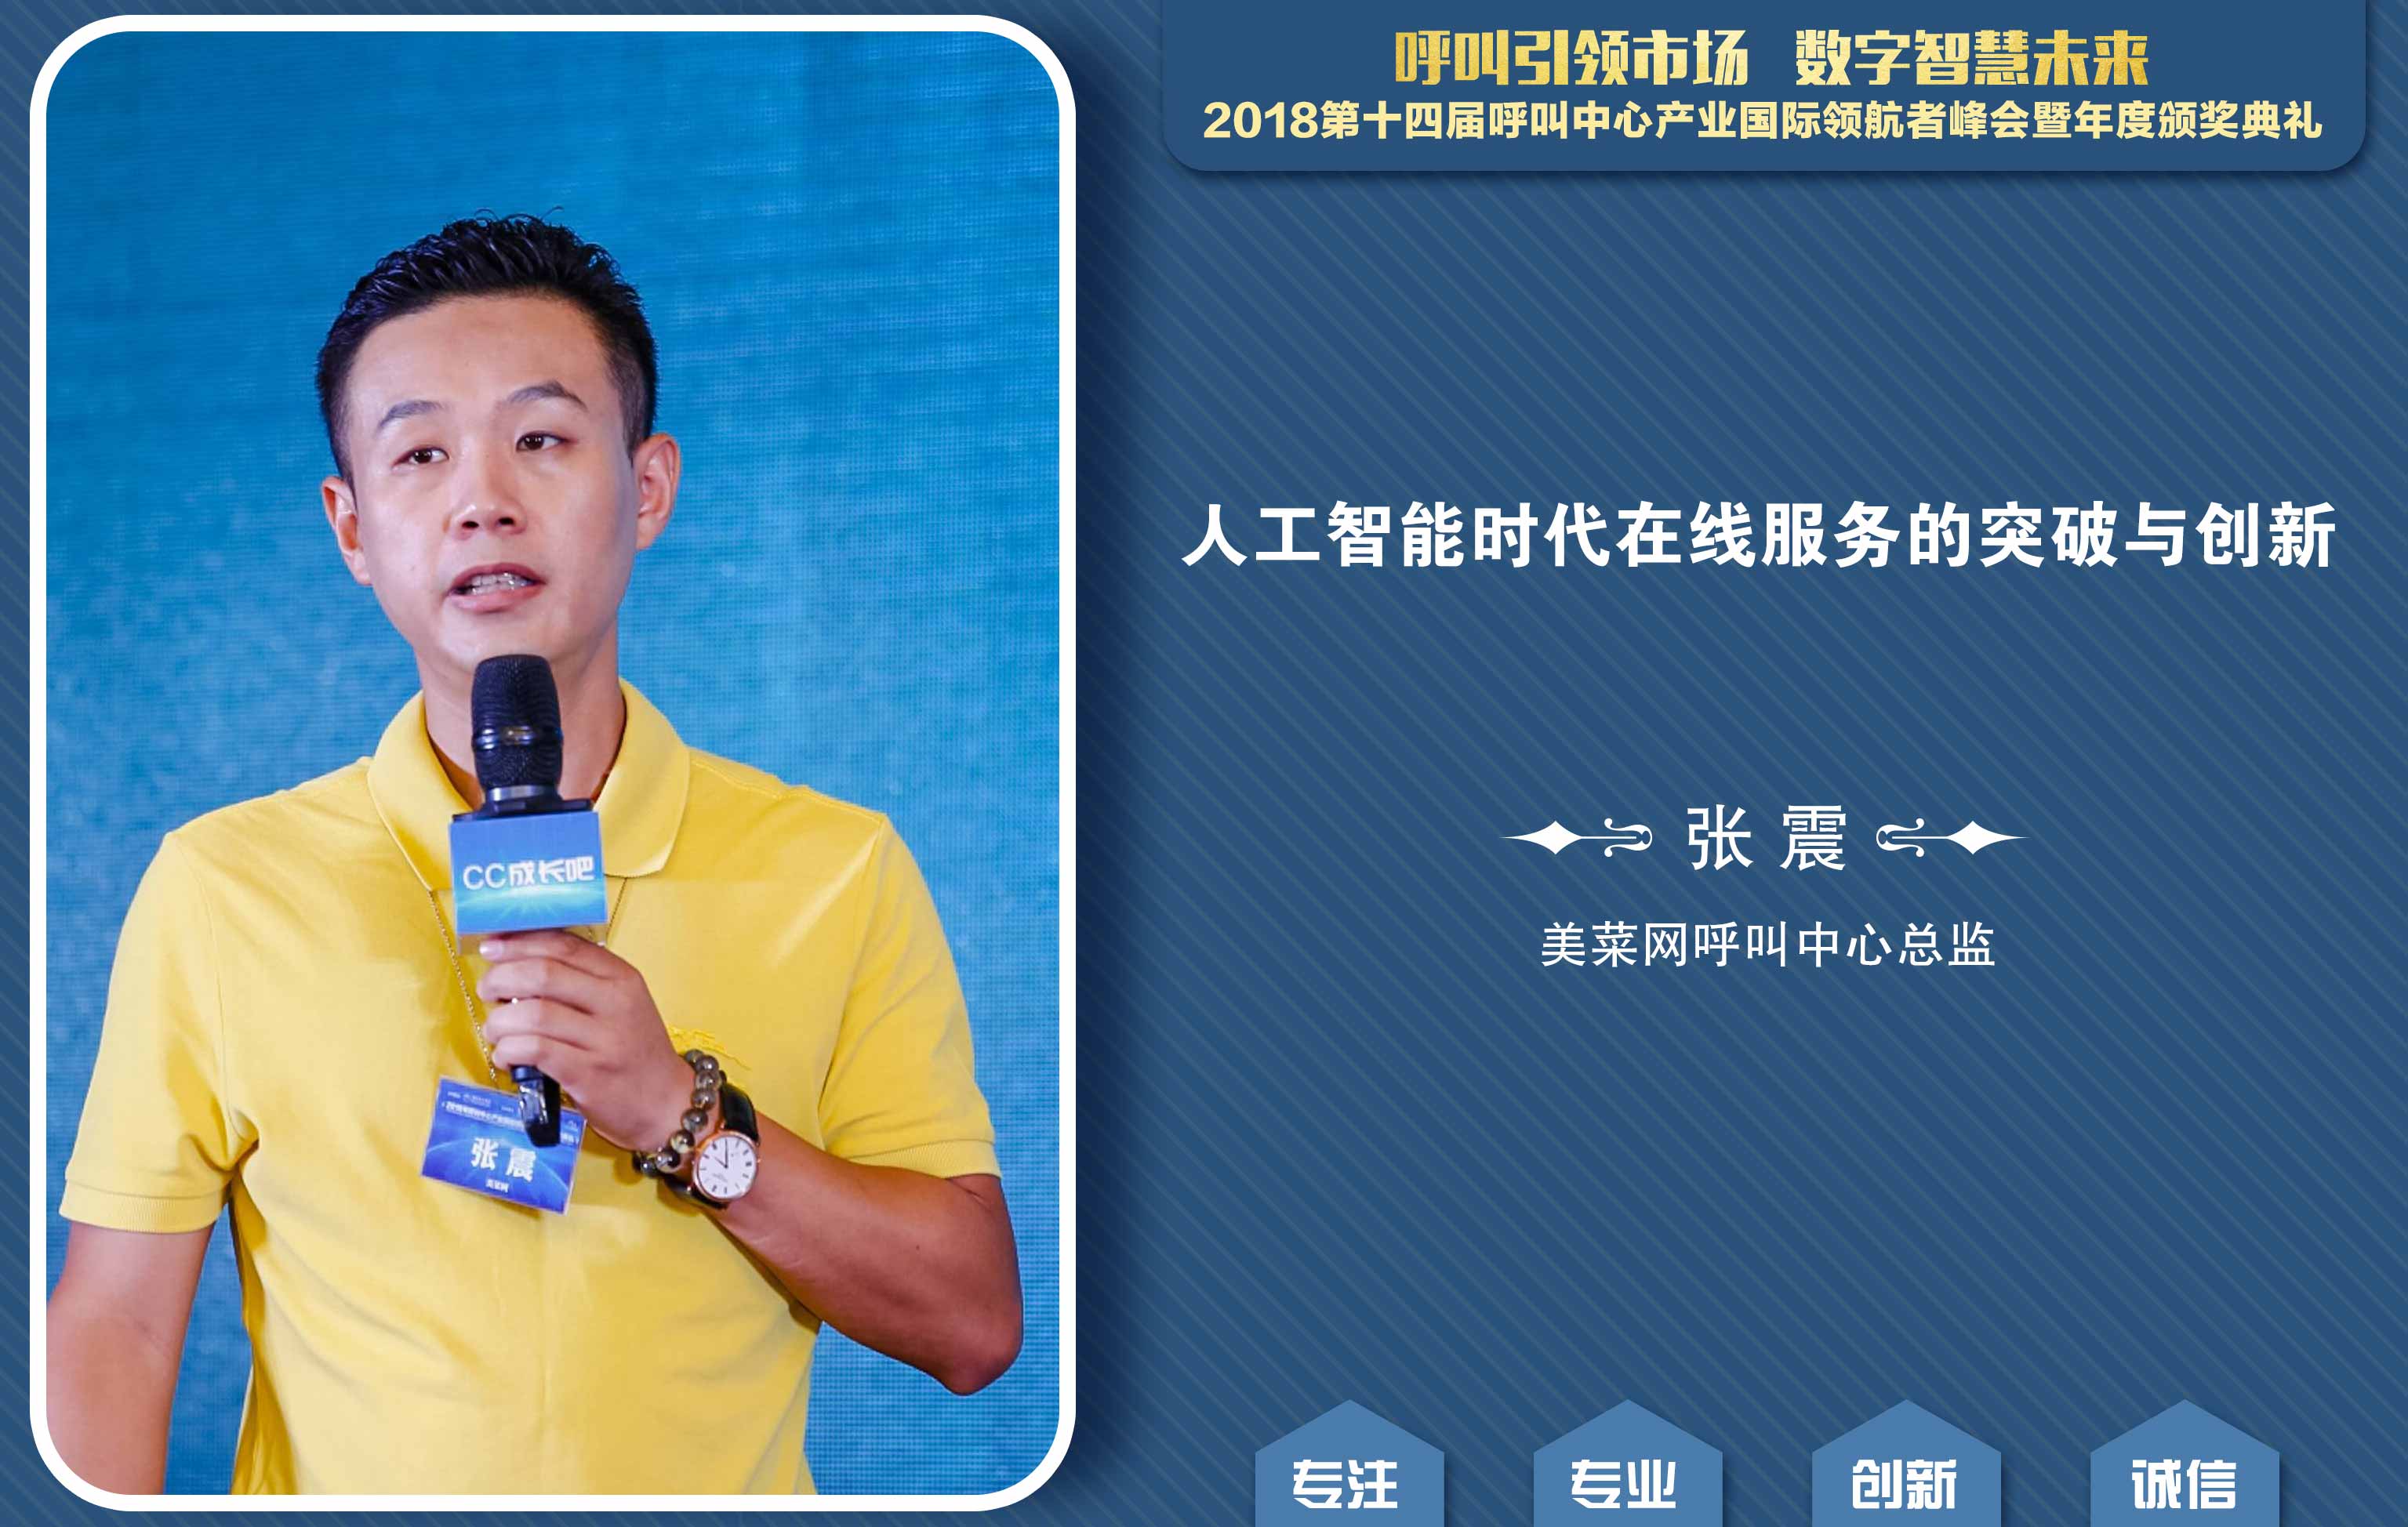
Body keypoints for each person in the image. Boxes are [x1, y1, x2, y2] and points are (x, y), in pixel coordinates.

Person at [44, 213, 1023, 1495]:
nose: (482, 502)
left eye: (542, 439)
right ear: (351, 528)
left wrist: (678, 1114)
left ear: (648, 487)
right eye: (421, 454)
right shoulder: (224, 887)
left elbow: (972, 1323)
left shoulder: (837, 869)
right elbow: (115, 1326)